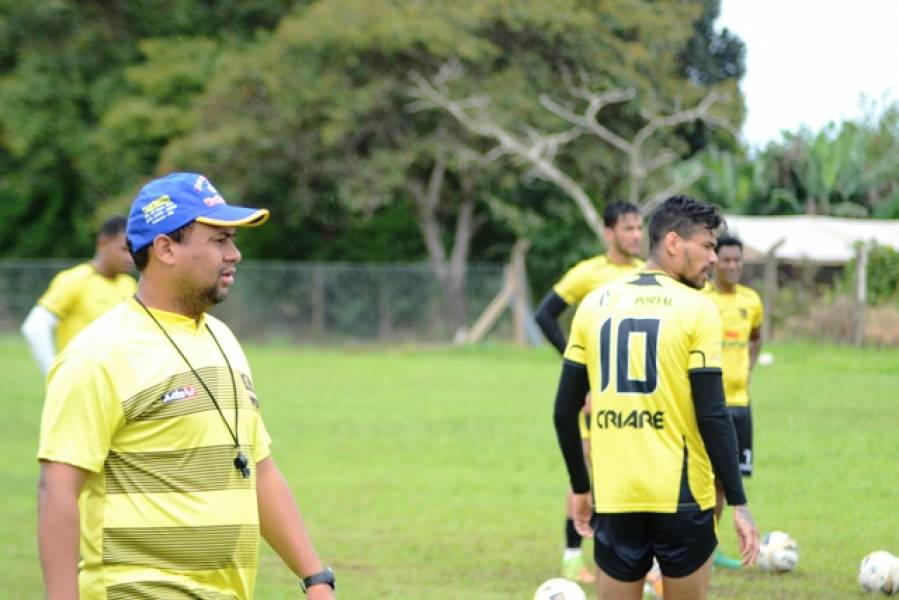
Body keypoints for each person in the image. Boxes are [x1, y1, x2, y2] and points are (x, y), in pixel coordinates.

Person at [37, 173, 336, 599]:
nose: (234, 254)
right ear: (166, 248)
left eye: (232, 240)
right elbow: (58, 489)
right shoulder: (99, 354)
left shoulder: (223, 339)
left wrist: (315, 578)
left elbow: (257, 469)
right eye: (219, 241)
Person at [553, 195, 759, 600]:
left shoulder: (595, 304)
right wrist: (738, 502)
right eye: (707, 246)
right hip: (681, 498)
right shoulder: (697, 308)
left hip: (616, 497)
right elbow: (713, 415)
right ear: (672, 243)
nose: (714, 258)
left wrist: (581, 487)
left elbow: (563, 412)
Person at [534, 202, 644, 583]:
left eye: (639, 228)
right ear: (608, 232)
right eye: (628, 228)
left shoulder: (649, 275)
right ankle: (571, 556)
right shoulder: (589, 273)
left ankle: (635, 558)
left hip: (634, 392)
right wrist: (575, 369)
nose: (636, 236)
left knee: (632, 468)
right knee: (584, 467)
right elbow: (544, 314)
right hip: (593, 393)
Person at [704, 235, 764, 570]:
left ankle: (710, 551)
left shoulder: (751, 301)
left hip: (740, 403)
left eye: (737, 260)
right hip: (710, 404)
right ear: (714, 262)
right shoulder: (701, 299)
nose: (732, 266)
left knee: (727, 482)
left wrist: (748, 369)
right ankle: (701, 550)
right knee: (704, 479)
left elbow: (756, 336)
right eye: (725, 260)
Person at [21, 216, 136, 376]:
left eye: (133, 250)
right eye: (124, 249)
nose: (131, 258)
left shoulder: (129, 284)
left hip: (121, 384)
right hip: (83, 382)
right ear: (102, 243)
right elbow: (35, 327)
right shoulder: (74, 280)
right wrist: (53, 375)